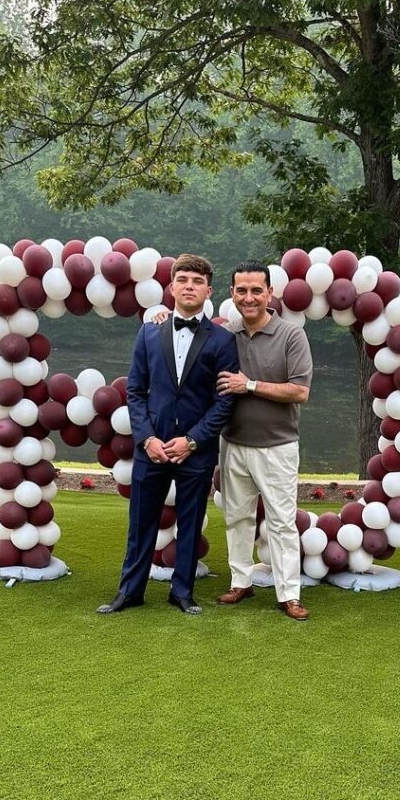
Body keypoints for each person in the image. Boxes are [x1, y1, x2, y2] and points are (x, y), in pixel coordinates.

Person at [98, 254, 238, 616]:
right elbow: (135, 390)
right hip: (152, 448)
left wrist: (191, 441)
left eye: (197, 281)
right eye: (184, 279)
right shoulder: (148, 332)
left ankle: (182, 593)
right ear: (172, 286)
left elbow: (224, 402)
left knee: (190, 524)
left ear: (209, 290)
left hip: (195, 451)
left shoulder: (223, 341)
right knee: (140, 523)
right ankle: (130, 592)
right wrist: (147, 440)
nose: (190, 286)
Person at [216, 262, 314, 620]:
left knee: (281, 523)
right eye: (241, 290)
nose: (249, 297)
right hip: (234, 445)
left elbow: (300, 391)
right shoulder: (225, 335)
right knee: (236, 518)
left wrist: (250, 385)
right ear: (232, 294)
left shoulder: (291, 335)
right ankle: (241, 582)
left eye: (256, 290)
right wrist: (161, 316)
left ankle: (289, 594)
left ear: (270, 293)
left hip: (277, 447)